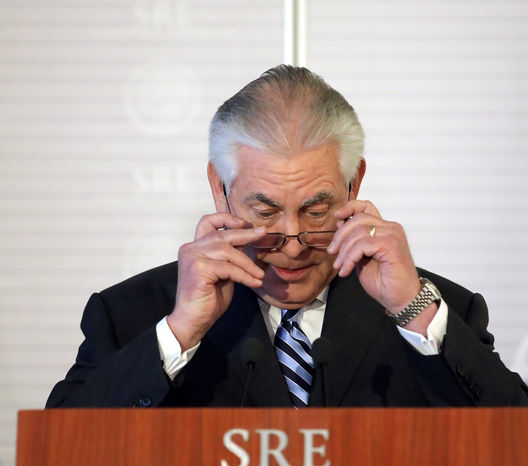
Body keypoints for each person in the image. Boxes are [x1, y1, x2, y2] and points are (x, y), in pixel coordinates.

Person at [46, 65, 528, 408]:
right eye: (267, 212)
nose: (294, 242)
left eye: (317, 210)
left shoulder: (439, 310)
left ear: (354, 184)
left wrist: (415, 311)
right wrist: (180, 333)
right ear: (220, 188)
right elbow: (60, 462)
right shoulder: (131, 314)